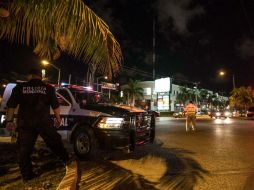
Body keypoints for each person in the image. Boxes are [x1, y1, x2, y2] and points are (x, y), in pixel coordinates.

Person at [5, 68, 69, 181]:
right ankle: (66, 161)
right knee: (55, 142)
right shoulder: (48, 88)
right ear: (40, 77)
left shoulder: (20, 87)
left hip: (25, 123)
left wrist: (9, 121)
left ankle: (27, 175)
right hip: (43, 122)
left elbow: (11, 105)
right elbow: (55, 106)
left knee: (24, 150)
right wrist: (58, 118)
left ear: (30, 76)